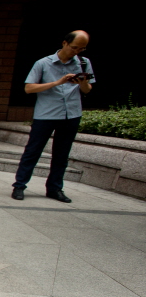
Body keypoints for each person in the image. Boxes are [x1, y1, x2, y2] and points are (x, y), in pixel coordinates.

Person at [11, 30, 94, 203]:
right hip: (46, 114)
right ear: (64, 43)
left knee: (62, 154)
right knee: (33, 151)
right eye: (74, 47)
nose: (76, 52)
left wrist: (82, 82)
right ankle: (19, 185)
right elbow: (29, 88)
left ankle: (55, 188)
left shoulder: (84, 63)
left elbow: (87, 90)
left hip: (71, 114)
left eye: (81, 49)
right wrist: (58, 82)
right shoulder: (43, 63)